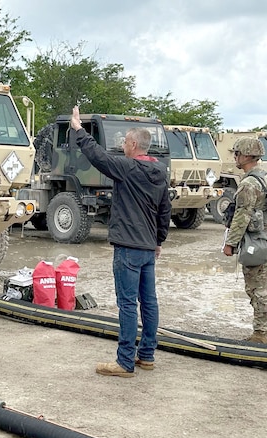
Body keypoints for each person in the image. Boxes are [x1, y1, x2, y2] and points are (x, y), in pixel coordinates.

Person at [69, 106, 171, 378]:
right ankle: (146, 356)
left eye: (124, 141)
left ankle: (125, 362)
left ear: (134, 145)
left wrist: (79, 130)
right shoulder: (160, 172)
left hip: (128, 248)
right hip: (148, 248)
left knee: (127, 304)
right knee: (149, 303)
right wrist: (159, 240)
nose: (122, 145)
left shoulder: (128, 168)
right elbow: (165, 210)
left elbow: (99, 158)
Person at [222, 137, 267, 343]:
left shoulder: (248, 183)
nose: (235, 157)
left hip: (256, 241)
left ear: (246, 155)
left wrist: (230, 243)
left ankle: (260, 333)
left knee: (257, 287)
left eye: (236, 153)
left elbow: (242, 215)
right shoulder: (265, 177)